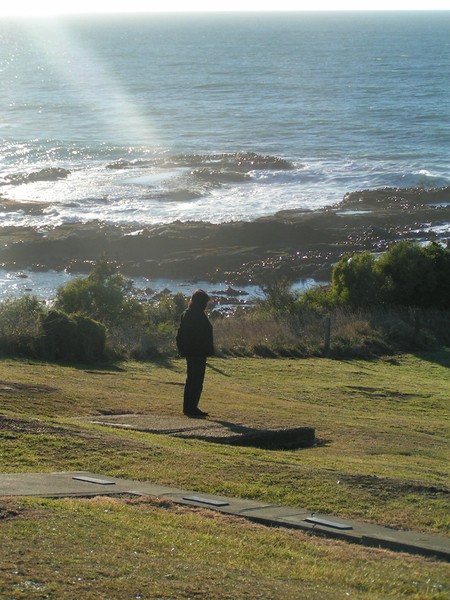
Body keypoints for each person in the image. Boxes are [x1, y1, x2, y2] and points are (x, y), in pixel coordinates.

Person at [176, 289, 214, 418]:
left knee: (191, 379)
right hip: (197, 351)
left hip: (191, 351)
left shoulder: (187, 314)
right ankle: (191, 407)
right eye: (204, 302)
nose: (206, 305)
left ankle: (189, 407)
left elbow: (180, 334)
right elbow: (198, 334)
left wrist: (182, 349)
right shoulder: (196, 315)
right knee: (196, 380)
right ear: (200, 302)